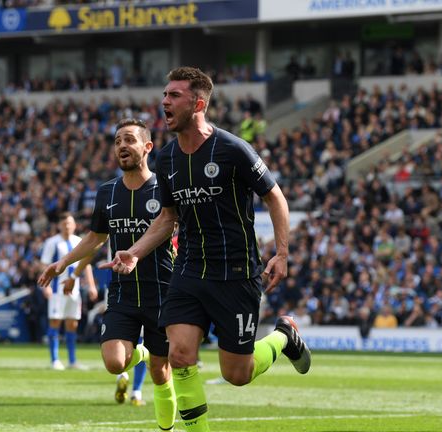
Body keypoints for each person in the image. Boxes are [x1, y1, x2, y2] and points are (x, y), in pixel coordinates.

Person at [102, 67, 311, 432]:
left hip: (236, 274)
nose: (165, 102)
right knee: (180, 355)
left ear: (198, 103)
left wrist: (281, 252)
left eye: (174, 96)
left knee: (237, 374)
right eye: (165, 94)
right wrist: (135, 252)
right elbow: (167, 219)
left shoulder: (232, 149)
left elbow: (275, 198)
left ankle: (284, 336)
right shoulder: (166, 159)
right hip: (187, 272)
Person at [38, 119, 177, 430]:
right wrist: (63, 265)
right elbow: (95, 238)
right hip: (123, 292)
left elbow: (174, 228)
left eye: (129, 140)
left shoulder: (164, 188)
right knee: (114, 363)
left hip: (162, 290)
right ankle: (140, 353)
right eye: (117, 142)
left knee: (160, 372)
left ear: (147, 147)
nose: (122, 146)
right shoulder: (107, 192)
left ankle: (166, 427)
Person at [39, 211, 98, 370]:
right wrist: (47, 287)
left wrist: (91, 285)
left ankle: (72, 361)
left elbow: (87, 264)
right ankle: (55, 360)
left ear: (74, 225)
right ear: (59, 225)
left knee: (72, 323)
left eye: (69, 223)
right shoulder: (52, 242)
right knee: (55, 322)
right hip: (57, 290)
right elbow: (44, 264)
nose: (67, 226)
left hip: (75, 290)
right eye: (64, 224)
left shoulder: (79, 241)